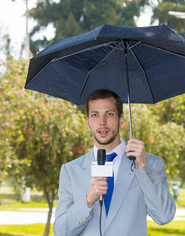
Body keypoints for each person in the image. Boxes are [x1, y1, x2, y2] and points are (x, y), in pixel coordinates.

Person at [53, 89, 176, 236]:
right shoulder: (71, 170)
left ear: (121, 118)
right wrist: (88, 200)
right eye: (95, 115)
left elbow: (165, 216)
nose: (102, 122)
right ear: (87, 121)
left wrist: (143, 166)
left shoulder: (151, 164)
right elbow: (61, 231)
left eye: (109, 114)